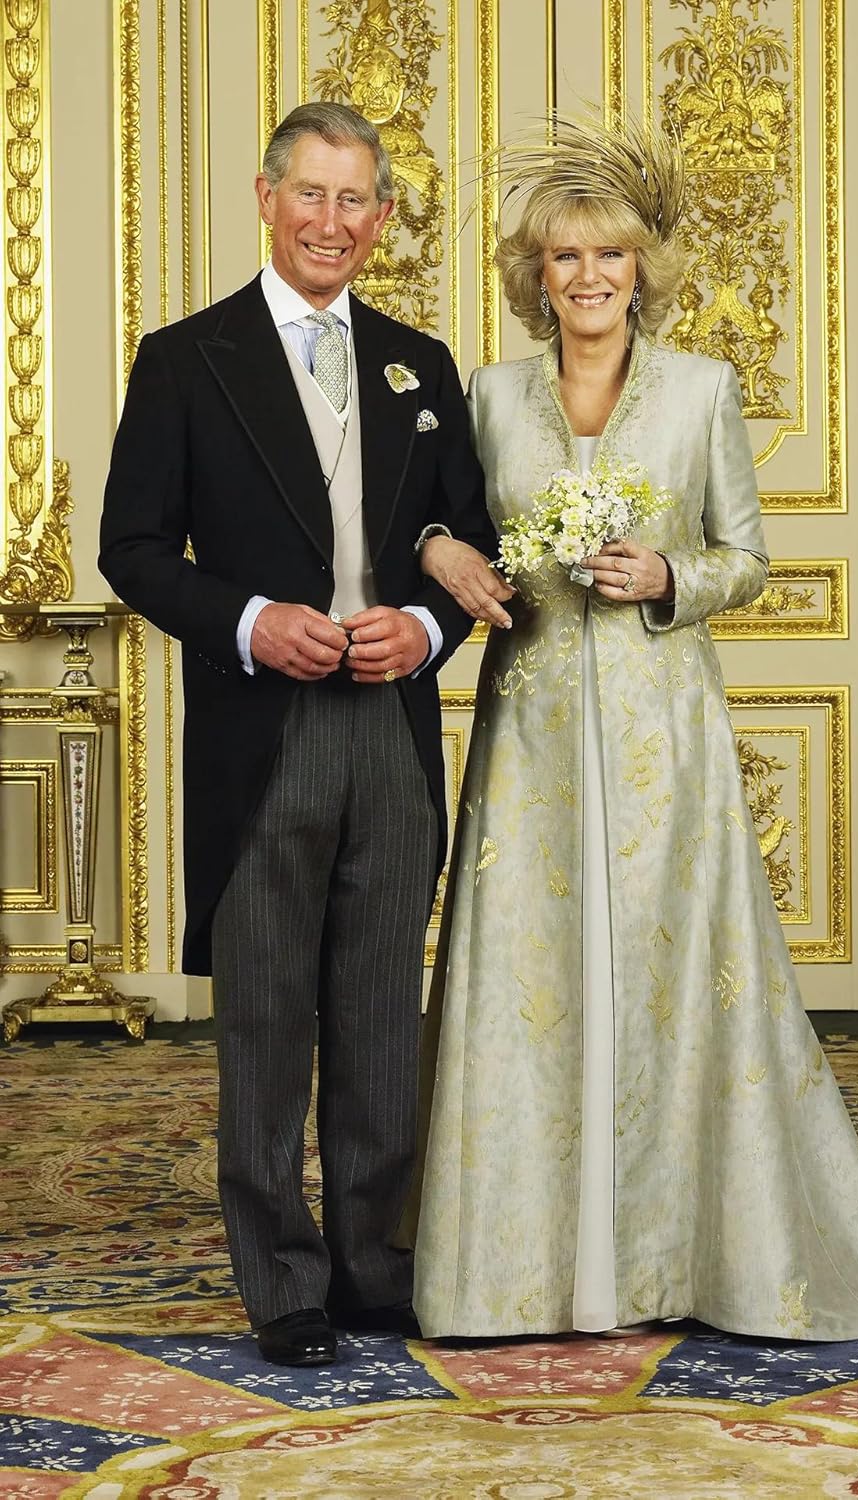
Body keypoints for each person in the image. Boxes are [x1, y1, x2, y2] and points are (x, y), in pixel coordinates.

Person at [409, 115, 858, 1341]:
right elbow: (441, 528)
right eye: (563, 257)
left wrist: (666, 576)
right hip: (531, 734)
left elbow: (745, 559)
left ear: (641, 268)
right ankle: (512, 1275)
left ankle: (673, 1260)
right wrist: (447, 551)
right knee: (530, 979)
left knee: (666, 975)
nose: (587, 277)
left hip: (665, 736)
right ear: (533, 275)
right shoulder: (488, 397)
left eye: (608, 255)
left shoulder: (702, 390)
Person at [99, 102, 496, 1367]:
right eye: (310, 194)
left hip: (389, 727)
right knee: (267, 1018)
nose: (332, 221)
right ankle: (282, 1281)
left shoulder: (419, 363)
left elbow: (466, 540)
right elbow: (132, 549)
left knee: (379, 1014)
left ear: (382, 217)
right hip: (262, 731)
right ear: (267, 198)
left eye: (354, 199)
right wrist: (251, 621)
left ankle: (374, 1264)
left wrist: (424, 632)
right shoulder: (185, 358)